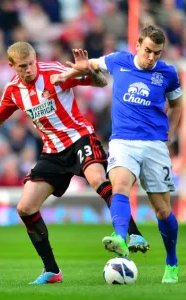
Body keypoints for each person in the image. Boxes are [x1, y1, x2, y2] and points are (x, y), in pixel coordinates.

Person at [0, 42, 148, 285]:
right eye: (23, 66)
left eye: (31, 64)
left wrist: (87, 71)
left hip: (79, 138)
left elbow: (101, 82)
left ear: (35, 59)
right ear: (12, 66)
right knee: (25, 208)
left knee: (97, 179)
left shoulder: (54, 72)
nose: (29, 70)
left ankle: (132, 234)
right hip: (52, 152)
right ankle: (52, 271)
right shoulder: (13, 90)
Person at [53, 25, 182, 284]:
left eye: (157, 53)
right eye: (147, 50)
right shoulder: (118, 61)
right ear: (137, 46)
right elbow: (90, 64)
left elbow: (178, 104)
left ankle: (172, 262)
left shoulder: (167, 73)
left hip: (155, 145)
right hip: (123, 141)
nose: (151, 57)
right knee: (119, 184)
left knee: (162, 211)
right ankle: (121, 238)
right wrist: (70, 72)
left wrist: (172, 135)